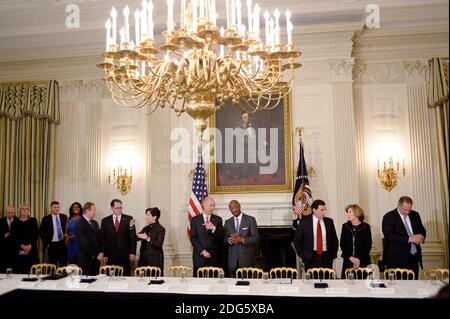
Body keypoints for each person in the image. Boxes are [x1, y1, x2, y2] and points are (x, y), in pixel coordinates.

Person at [382, 196, 426, 279]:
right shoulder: (389, 217)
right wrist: (409, 239)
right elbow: (389, 236)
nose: (407, 212)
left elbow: (422, 230)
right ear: (398, 205)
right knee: (398, 288)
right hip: (396, 260)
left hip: (414, 258)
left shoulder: (415, 215)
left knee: (413, 288)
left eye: (409, 209)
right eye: (405, 209)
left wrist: (421, 237)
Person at [293, 199, 338, 271]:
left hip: (326, 257)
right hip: (310, 258)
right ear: (314, 210)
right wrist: (304, 256)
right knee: (311, 281)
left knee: (327, 280)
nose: (324, 212)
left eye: (325, 210)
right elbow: (297, 241)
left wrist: (332, 255)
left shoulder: (329, 222)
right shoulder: (304, 222)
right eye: (322, 210)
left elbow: (334, 240)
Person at [100, 199, 136, 276]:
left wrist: (133, 252)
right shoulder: (105, 221)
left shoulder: (128, 219)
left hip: (125, 254)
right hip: (110, 254)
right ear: (112, 208)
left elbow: (133, 237)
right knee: (112, 278)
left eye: (120, 207)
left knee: (126, 277)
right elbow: (103, 239)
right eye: (117, 208)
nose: (119, 210)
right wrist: (104, 253)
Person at [224, 200, 259, 277]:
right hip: (232, 261)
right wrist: (229, 240)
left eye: (235, 207)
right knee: (232, 286)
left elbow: (256, 238)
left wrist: (242, 239)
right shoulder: (227, 222)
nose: (234, 210)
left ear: (239, 206)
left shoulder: (250, 220)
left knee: (247, 285)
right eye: (231, 208)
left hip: (246, 261)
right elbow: (224, 240)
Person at [190, 197, 224, 276]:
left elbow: (220, 237)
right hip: (199, 256)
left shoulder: (218, 219)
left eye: (214, 206)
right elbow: (193, 238)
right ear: (204, 206)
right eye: (211, 205)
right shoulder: (195, 220)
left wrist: (213, 228)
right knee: (198, 284)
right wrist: (203, 251)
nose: (213, 208)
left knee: (213, 283)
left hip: (213, 257)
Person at [340, 204, 372, 278]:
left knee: (362, 286)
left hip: (363, 260)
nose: (348, 214)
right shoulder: (345, 226)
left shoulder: (366, 227)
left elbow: (367, 245)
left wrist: (358, 259)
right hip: (348, 260)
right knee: (347, 284)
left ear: (356, 212)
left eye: (350, 212)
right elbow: (342, 244)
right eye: (347, 212)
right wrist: (351, 257)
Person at [75, 202, 103, 276]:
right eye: (94, 210)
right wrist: (95, 255)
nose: (95, 212)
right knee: (86, 283)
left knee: (95, 281)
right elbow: (84, 243)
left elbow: (99, 238)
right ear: (87, 211)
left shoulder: (94, 223)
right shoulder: (79, 223)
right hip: (85, 259)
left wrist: (101, 252)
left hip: (96, 260)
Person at [136, 207, 165, 273]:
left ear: (154, 217)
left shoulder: (160, 229)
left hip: (154, 260)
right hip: (143, 259)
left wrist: (147, 238)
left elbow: (159, 245)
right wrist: (131, 227)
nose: (146, 217)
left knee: (153, 280)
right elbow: (136, 238)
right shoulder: (146, 228)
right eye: (146, 215)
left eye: (148, 215)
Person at [39, 201, 68, 267]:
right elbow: (41, 232)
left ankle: (63, 276)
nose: (56, 209)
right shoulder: (46, 219)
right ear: (51, 208)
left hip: (62, 244)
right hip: (52, 244)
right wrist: (46, 243)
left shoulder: (64, 217)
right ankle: (53, 277)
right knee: (52, 264)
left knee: (63, 264)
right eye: (55, 207)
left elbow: (67, 229)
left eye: (58, 207)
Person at [15, 204, 39, 274]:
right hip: (19, 250)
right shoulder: (15, 222)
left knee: (32, 271)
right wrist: (22, 246)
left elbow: (36, 235)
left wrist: (30, 246)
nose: (25, 211)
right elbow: (14, 237)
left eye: (26, 209)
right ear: (19, 211)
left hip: (31, 249)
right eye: (23, 209)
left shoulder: (33, 220)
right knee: (21, 270)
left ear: (28, 210)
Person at [0, 205, 18, 273]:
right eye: (8, 213)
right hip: (4, 252)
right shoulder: (1, 221)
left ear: (14, 212)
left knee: (15, 272)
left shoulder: (18, 221)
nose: (10, 214)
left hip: (15, 251)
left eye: (12, 212)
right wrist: (4, 236)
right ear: (5, 213)